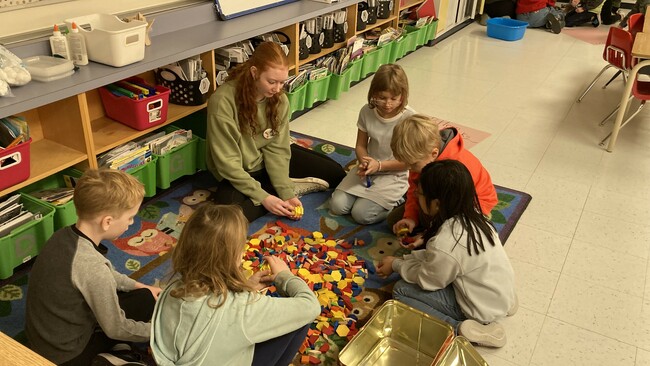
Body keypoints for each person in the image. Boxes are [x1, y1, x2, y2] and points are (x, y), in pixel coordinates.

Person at [150, 204, 320, 365]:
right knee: (300, 321)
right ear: (234, 256)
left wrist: (245, 287)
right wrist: (285, 276)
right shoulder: (243, 309)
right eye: (242, 246)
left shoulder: (172, 288)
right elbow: (310, 306)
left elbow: (208, 314)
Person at [25, 169, 161, 366]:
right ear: (107, 222)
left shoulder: (62, 236)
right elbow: (116, 328)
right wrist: (158, 333)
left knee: (145, 296)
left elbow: (107, 274)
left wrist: (140, 286)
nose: (131, 224)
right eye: (130, 217)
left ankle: (115, 351)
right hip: (67, 356)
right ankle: (108, 358)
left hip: (45, 339)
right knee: (145, 306)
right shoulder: (92, 267)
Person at [376, 160, 517, 348]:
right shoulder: (475, 217)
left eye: (419, 194)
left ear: (436, 203)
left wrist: (396, 265)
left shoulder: (447, 242)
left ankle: (462, 328)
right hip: (499, 291)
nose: (417, 197)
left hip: (479, 309)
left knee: (401, 290)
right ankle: (503, 304)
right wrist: (410, 257)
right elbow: (440, 258)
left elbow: (430, 281)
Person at [206, 41, 346, 222]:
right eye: (271, 82)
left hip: (266, 160)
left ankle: (282, 185)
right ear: (254, 73)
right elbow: (227, 163)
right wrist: (265, 198)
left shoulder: (279, 100)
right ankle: (276, 188)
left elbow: (277, 150)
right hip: (238, 169)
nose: (278, 89)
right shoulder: (223, 101)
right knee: (228, 218)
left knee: (336, 174)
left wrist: (286, 193)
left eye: (282, 82)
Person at [387, 114, 498, 248]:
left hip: (471, 205)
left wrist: (428, 235)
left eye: (413, 165)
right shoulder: (420, 158)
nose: (410, 169)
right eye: (407, 164)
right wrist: (410, 217)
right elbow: (414, 191)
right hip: (435, 200)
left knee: (443, 243)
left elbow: (454, 211)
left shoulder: (454, 171)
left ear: (434, 154)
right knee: (394, 221)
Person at [329, 64, 415, 225]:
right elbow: (361, 145)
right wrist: (364, 161)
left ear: (402, 96)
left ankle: (397, 202)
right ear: (373, 94)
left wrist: (380, 165)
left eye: (393, 99)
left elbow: (410, 162)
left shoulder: (409, 118)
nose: (388, 104)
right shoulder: (366, 111)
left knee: (361, 215)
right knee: (337, 206)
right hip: (369, 168)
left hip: (395, 172)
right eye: (382, 98)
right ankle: (374, 198)